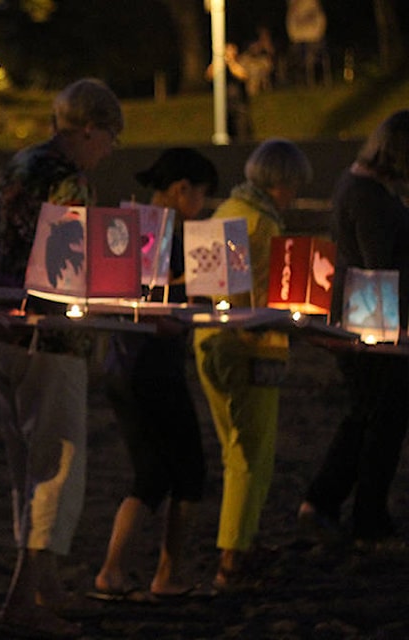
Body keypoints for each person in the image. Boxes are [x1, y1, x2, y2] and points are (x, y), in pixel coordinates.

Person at [0, 78, 122, 638]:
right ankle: (23, 595)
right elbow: (70, 264)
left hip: (2, 325)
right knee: (58, 464)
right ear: (88, 128)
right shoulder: (69, 178)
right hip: (51, 334)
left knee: (24, 464)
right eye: (108, 137)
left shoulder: (13, 166)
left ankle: (47, 586)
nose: (108, 149)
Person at [94, 148, 218, 600]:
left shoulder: (130, 227)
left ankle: (113, 571)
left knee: (150, 473)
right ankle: (165, 575)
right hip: (154, 365)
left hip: (120, 364)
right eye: (202, 193)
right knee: (188, 473)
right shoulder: (171, 236)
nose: (203, 203)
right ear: (182, 188)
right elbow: (183, 293)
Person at [193, 138, 313, 590]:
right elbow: (262, 295)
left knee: (232, 449)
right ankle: (234, 555)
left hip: (209, 338)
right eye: (293, 186)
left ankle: (239, 541)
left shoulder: (225, 211)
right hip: (250, 346)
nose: (295, 196)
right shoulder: (262, 224)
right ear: (280, 183)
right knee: (252, 455)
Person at [299, 110, 409, 550]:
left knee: (366, 415)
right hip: (373, 322)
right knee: (383, 419)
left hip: (365, 318)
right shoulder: (368, 196)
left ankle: (325, 501)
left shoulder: (363, 187)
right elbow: (376, 259)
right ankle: (367, 514)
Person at [205, 42, 252, 143]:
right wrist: (218, 61)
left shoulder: (240, 63)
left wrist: (230, 62)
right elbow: (209, 75)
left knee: (242, 133)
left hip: (239, 106)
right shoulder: (219, 65)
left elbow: (243, 75)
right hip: (224, 106)